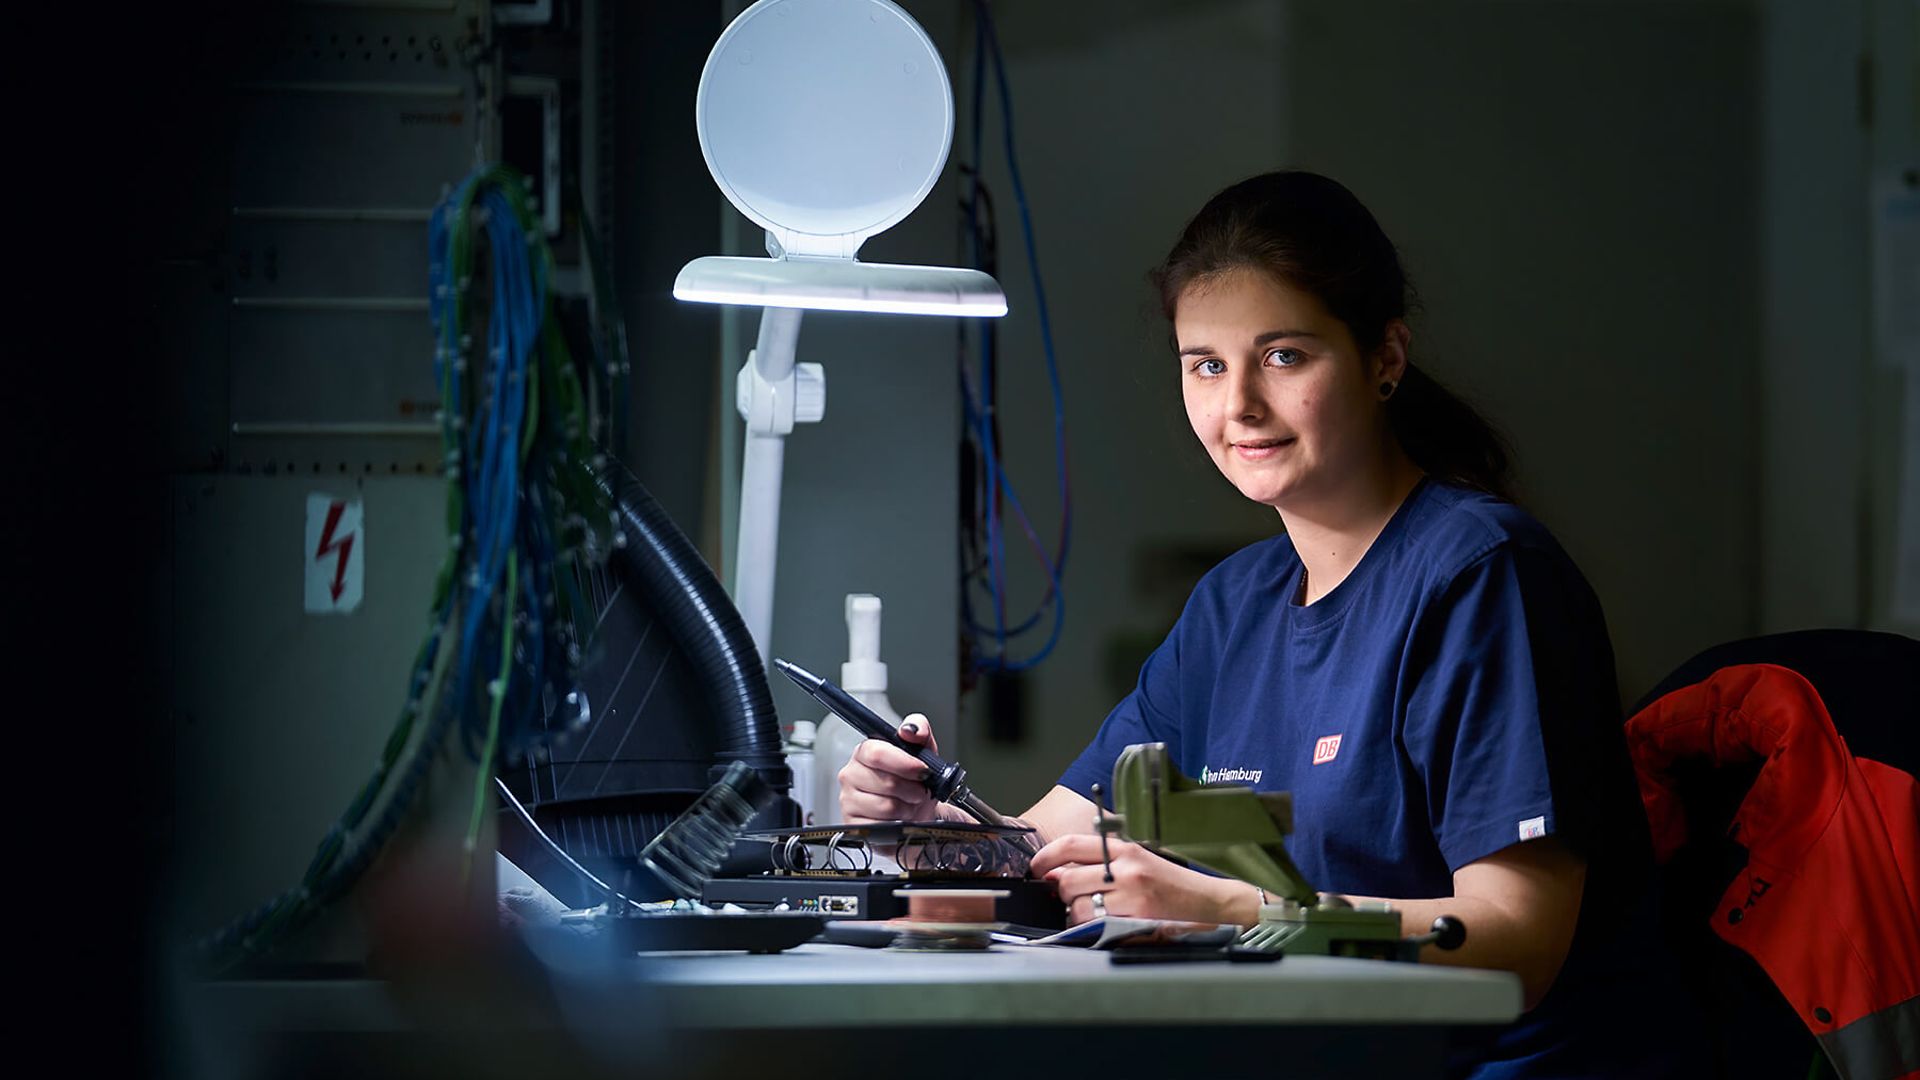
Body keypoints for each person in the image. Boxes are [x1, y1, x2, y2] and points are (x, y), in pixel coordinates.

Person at [838, 171, 1695, 1077]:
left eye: (1283, 356)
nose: (1238, 403)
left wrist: (1234, 911)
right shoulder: (1232, 608)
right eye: (1205, 364)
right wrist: (934, 823)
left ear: (1385, 358)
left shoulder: (1482, 578)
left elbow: (1515, 942)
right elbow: (1049, 845)